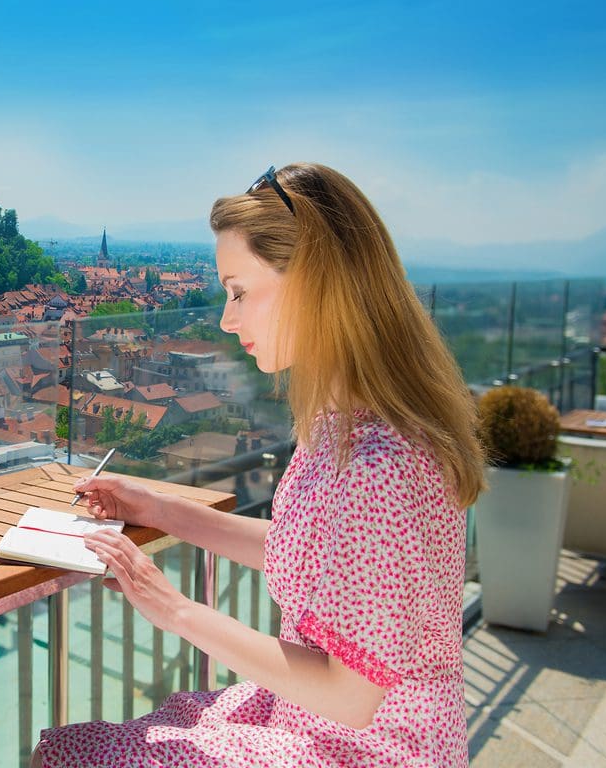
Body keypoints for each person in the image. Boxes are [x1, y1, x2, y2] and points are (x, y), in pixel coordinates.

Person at [32, 163, 484, 767]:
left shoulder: (381, 464)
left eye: (239, 290)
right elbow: (308, 553)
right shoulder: (344, 424)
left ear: (316, 285)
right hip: (322, 724)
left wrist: (172, 607)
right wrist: (159, 508)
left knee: (67, 757)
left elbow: (351, 697)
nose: (226, 317)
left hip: (364, 746)